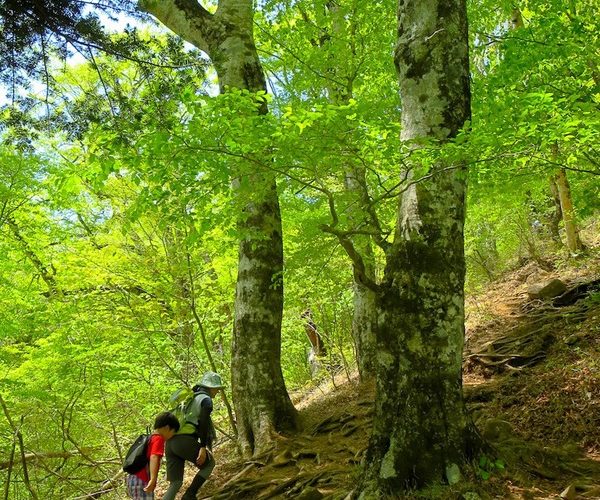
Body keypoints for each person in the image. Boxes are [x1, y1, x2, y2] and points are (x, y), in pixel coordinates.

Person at [162, 371, 224, 500]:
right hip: (184, 441)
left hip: (170, 443)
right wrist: (202, 447)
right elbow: (203, 424)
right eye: (217, 388)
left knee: (176, 483)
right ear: (210, 387)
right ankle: (189, 495)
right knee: (209, 464)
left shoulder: (189, 398)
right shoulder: (205, 400)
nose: (218, 391)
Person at [125, 411, 180, 499]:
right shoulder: (158, 439)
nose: (172, 436)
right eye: (173, 432)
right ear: (167, 428)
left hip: (133, 479)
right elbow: (154, 457)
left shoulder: (150, 438)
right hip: (141, 480)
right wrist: (153, 479)